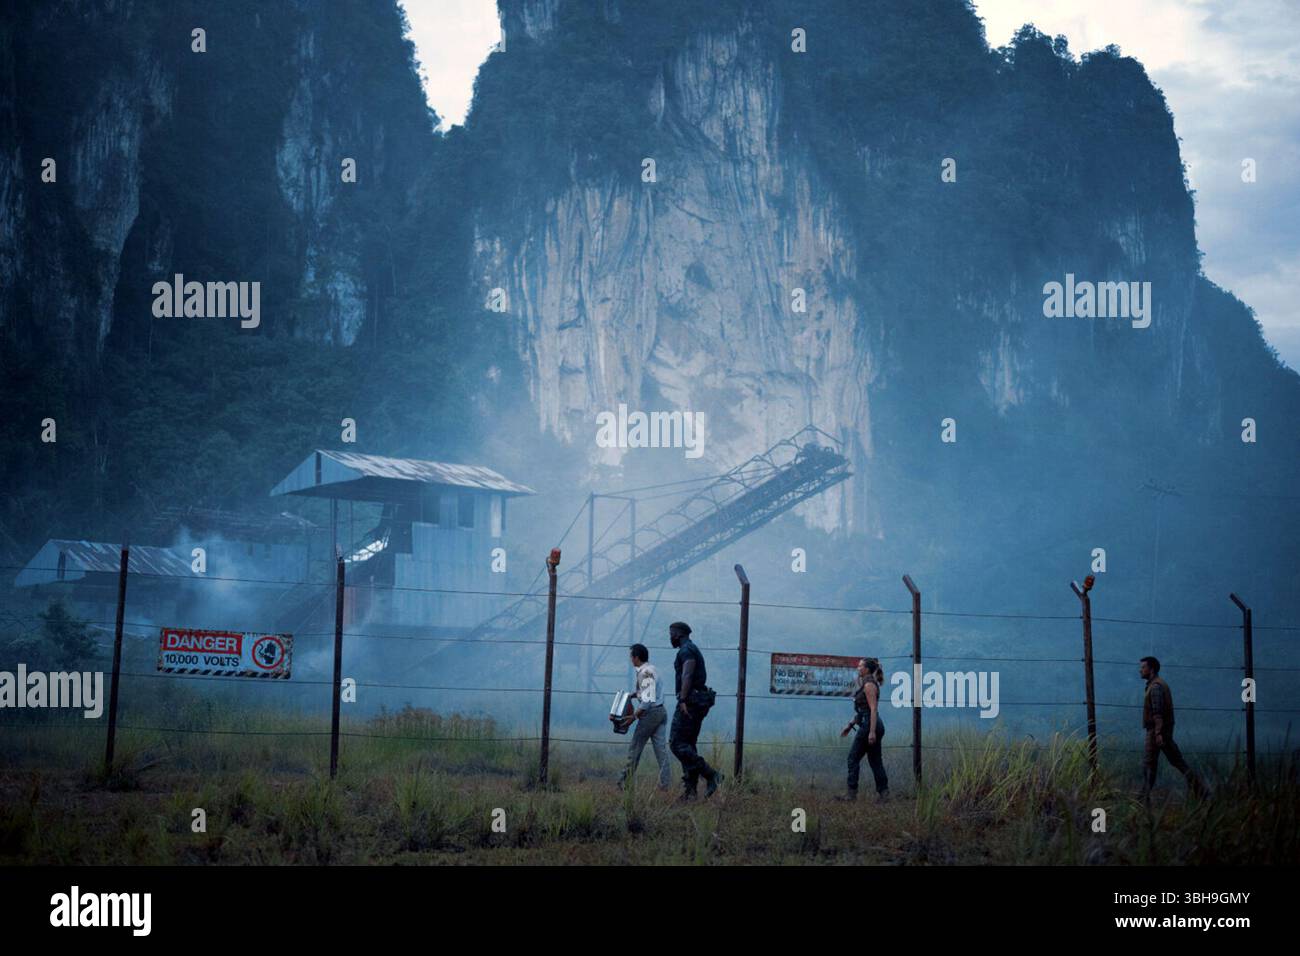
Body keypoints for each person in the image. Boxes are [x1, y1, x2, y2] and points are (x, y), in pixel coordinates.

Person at [667, 621, 722, 800]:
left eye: (672, 634)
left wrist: (682, 699)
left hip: (690, 701)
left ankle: (711, 775)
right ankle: (690, 792)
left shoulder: (686, 651)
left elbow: (687, 674)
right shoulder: (690, 649)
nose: (670, 637)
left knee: (676, 743)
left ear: (679, 634)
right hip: (696, 700)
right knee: (688, 745)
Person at [1139, 656, 1207, 800]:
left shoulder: (1156, 687)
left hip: (1157, 732)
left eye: (1143, 667)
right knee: (1177, 762)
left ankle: (1142, 798)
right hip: (1163, 731)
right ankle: (1202, 791)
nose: (1140, 670)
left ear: (1151, 669)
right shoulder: (1157, 684)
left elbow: (1158, 712)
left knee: (1149, 764)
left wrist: (1157, 733)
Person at [617, 643, 672, 791]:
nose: (630, 659)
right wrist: (634, 694)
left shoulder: (645, 673)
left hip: (650, 714)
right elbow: (649, 692)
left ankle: (624, 783)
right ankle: (665, 785)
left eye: (631, 656)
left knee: (635, 748)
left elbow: (647, 701)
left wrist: (633, 717)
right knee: (661, 751)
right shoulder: (653, 669)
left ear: (636, 657)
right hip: (661, 712)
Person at [837, 657, 889, 801]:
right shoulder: (866, 683)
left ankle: (851, 794)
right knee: (875, 761)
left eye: (860, 666)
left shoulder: (869, 685)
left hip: (870, 725)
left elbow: (873, 709)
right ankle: (884, 793)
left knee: (853, 758)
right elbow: (863, 710)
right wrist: (850, 725)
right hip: (870, 723)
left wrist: (871, 732)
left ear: (866, 669)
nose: (858, 668)